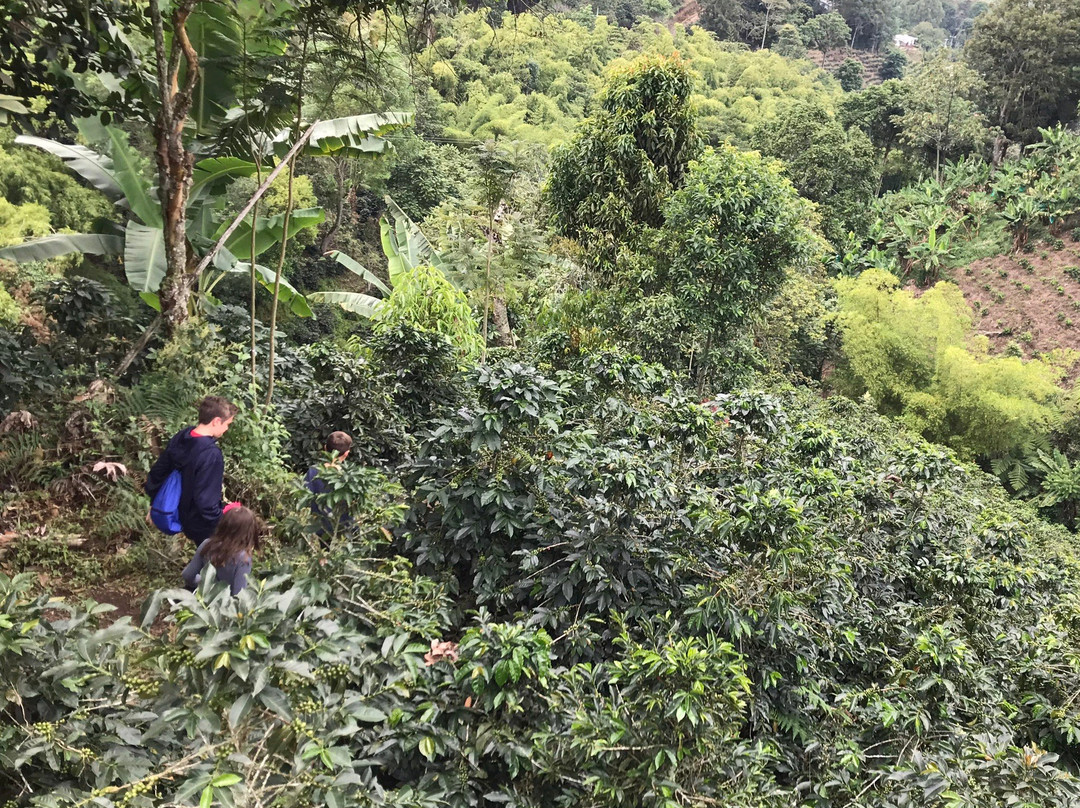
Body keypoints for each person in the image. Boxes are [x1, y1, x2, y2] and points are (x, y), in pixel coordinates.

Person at [145, 396, 238, 546]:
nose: (227, 428)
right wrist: (221, 523)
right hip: (200, 525)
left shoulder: (183, 436)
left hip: (181, 515)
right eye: (227, 424)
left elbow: (158, 471)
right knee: (211, 565)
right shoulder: (211, 454)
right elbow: (206, 502)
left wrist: (154, 501)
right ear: (216, 421)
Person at [182, 503, 261, 595]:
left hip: (203, 601)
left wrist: (205, 584)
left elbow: (188, 575)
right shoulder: (244, 559)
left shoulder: (206, 544)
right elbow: (239, 595)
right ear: (249, 532)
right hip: (224, 606)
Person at [304, 431, 353, 537]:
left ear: (325, 448)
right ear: (346, 454)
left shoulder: (313, 472)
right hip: (345, 532)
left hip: (319, 531)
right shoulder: (351, 477)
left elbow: (305, 499)